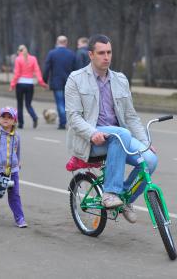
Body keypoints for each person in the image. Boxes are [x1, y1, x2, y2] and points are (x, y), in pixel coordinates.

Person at [65, 34, 157, 223]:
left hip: (119, 137)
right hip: (91, 141)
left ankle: (125, 200)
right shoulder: (76, 79)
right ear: (90, 54)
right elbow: (73, 117)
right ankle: (110, 193)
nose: (106, 57)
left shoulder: (120, 79)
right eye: (101, 53)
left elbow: (131, 116)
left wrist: (146, 142)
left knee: (150, 160)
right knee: (122, 133)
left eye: (109, 52)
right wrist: (93, 133)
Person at [9, 45, 47, 129]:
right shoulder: (33, 59)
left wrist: (12, 85)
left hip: (20, 84)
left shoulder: (18, 59)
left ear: (19, 51)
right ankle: (34, 117)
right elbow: (37, 71)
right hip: (30, 84)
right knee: (28, 104)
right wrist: (42, 83)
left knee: (20, 104)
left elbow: (17, 74)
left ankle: (21, 124)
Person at [43, 35, 76, 130]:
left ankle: (62, 122)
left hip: (57, 82)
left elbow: (47, 68)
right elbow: (76, 69)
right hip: (70, 82)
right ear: (66, 42)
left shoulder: (52, 53)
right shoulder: (72, 54)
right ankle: (69, 121)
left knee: (60, 103)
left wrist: (44, 80)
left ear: (57, 42)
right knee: (68, 103)